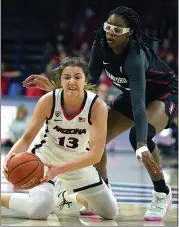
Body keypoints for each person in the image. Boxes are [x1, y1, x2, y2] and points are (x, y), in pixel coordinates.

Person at [22, 6, 178, 221]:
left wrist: (142, 142)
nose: (111, 32)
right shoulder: (100, 44)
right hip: (133, 94)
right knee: (97, 138)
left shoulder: (135, 58)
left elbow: (139, 105)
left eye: (118, 29)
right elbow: (89, 85)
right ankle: (103, 192)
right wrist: (54, 88)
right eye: (108, 27)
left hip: (163, 94)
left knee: (139, 138)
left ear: (130, 32)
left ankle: (162, 192)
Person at [1, 57, 118, 220]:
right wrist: (10, 157)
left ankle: (68, 196)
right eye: (67, 77)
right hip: (45, 158)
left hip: (78, 161)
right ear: (60, 81)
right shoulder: (48, 101)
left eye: (77, 77)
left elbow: (96, 154)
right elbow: (27, 138)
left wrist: (61, 169)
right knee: (38, 211)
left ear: (85, 80)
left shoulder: (97, 106)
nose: (72, 81)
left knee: (110, 213)